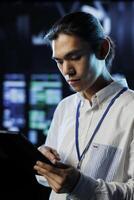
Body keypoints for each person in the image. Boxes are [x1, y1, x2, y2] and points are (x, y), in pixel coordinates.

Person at [33, 11, 134, 200]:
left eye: (75, 57)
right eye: (59, 61)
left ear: (103, 49)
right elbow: (50, 181)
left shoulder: (131, 110)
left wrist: (79, 185)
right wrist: (43, 165)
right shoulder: (64, 108)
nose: (66, 71)